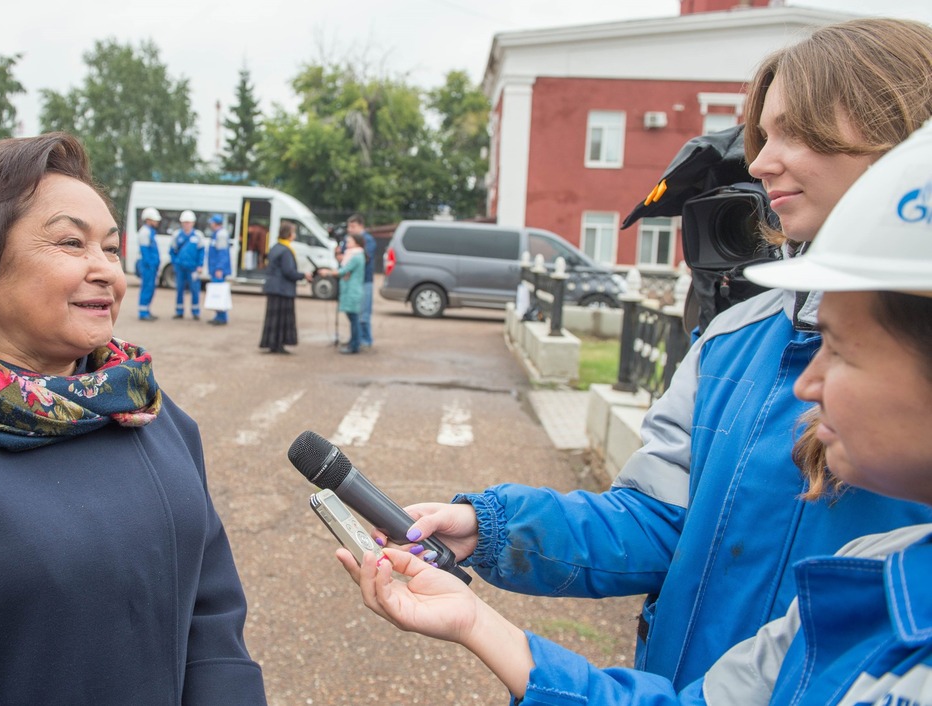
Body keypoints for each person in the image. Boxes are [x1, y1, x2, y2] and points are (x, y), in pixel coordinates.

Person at [348, 17, 932, 691]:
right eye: (763, 135)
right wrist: (488, 527)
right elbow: (658, 518)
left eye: (797, 134)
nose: (764, 161)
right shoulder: (733, 340)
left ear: (906, 142)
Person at [0, 132, 267, 704]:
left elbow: (211, 622)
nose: (106, 271)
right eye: (70, 243)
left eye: (110, 248)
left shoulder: (151, 416)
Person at [260, 221, 312, 354]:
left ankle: (272, 342)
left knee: (273, 318)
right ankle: (279, 344)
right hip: (282, 289)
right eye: (293, 232)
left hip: (273, 287)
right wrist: (303, 275)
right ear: (289, 234)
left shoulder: (275, 247)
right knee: (282, 318)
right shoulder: (286, 251)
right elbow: (288, 271)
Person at [346, 214, 376, 350]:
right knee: (353, 311)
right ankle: (356, 337)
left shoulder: (368, 240)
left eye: (353, 226)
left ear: (361, 226)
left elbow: (365, 257)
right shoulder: (349, 240)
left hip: (364, 280)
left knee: (364, 312)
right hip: (353, 281)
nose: (350, 229)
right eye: (349, 226)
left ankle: (365, 339)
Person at [334, 231, 366, 354]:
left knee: (354, 319)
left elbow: (344, 270)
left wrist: (328, 272)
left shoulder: (356, 256)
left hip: (353, 291)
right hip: (351, 290)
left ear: (356, 243)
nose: (347, 243)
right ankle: (354, 342)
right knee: (353, 318)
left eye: (349, 241)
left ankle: (354, 345)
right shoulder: (351, 255)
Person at [170, 209, 204, 320]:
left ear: (193, 223)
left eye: (189, 222)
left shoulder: (198, 235)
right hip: (180, 268)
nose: (187, 224)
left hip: (193, 268)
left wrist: (200, 265)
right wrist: (175, 263)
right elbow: (172, 251)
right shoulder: (177, 235)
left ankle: (195, 312)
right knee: (179, 289)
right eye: (185, 222)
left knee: (195, 290)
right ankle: (179, 311)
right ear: (181, 223)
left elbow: (201, 252)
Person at [204, 213, 232, 326]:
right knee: (217, 293)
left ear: (215, 223)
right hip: (215, 268)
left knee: (219, 293)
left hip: (218, 270)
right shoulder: (216, 234)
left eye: (211, 222)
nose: (210, 224)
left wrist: (219, 268)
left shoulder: (221, 235)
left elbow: (222, 254)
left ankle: (221, 317)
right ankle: (218, 316)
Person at [136, 205, 162, 320]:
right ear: (149, 219)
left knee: (151, 288)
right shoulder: (145, 232)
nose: (157, 222)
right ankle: (143, 313)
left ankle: (147, 310)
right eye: (155, 220)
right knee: (147, 287)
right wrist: (151, 264)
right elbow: (145, 251)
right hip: (147, 266)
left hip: (151, 266)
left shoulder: (150, 232)